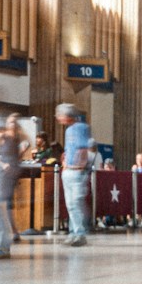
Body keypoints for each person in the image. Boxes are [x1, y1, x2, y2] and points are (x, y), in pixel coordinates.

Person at [0, 114, 27, 259]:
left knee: (5, 204)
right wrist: (3, 164)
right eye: (10, 122)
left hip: (12, 173)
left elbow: (19, 154)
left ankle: (4, 242)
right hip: (3, 172)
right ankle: (4, 241)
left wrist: (19, 158)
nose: (13, 125)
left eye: (15, 122)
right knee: (0, 205)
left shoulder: (18, 138)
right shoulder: (2, 136)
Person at [57, 103, 94, 246]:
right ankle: (74, 232)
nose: (58, 118)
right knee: (71, 204)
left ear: (67, 115)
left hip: (76, 171)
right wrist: (66, 163)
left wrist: (79, 166)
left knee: (75, 203)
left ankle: (80, 233)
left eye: (60, 114)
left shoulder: (79, 128)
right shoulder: (70, 130)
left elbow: (82, 148)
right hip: (70, 170)